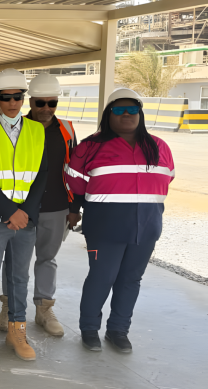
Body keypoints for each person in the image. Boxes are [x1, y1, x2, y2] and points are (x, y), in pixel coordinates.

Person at [66, 88, 174, 353]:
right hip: (104, 227)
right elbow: (75, 183)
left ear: (141, 113)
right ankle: (89, 329)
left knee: (130, 280)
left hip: (147, 227)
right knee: (102, 277)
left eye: (133, 109)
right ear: (108, 114)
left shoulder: (159, 147)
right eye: (119, 109)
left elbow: (167, 178)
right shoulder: (90, 147)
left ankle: (118, 331)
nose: (127, 114)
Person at [0, 68, 48, 364]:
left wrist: (25, 213)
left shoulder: (37, 131)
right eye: (6, 98)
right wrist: (10, 212)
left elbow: (41, 175)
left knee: (19, 278)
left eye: (18, 97)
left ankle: (17, 331)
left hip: (25, 220)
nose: (13, 102)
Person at [0, 74, 79, 337]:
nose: (46, 108)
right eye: (40, 103)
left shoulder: (67, 130)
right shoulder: (16, 127)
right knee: (13, 261)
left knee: (47, 259)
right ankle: (9, 306)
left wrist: (74, 207)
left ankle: (44, 309)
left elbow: (74, 170)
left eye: (52, 103)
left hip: (56, 206)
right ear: (30, 101)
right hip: (21, 208)